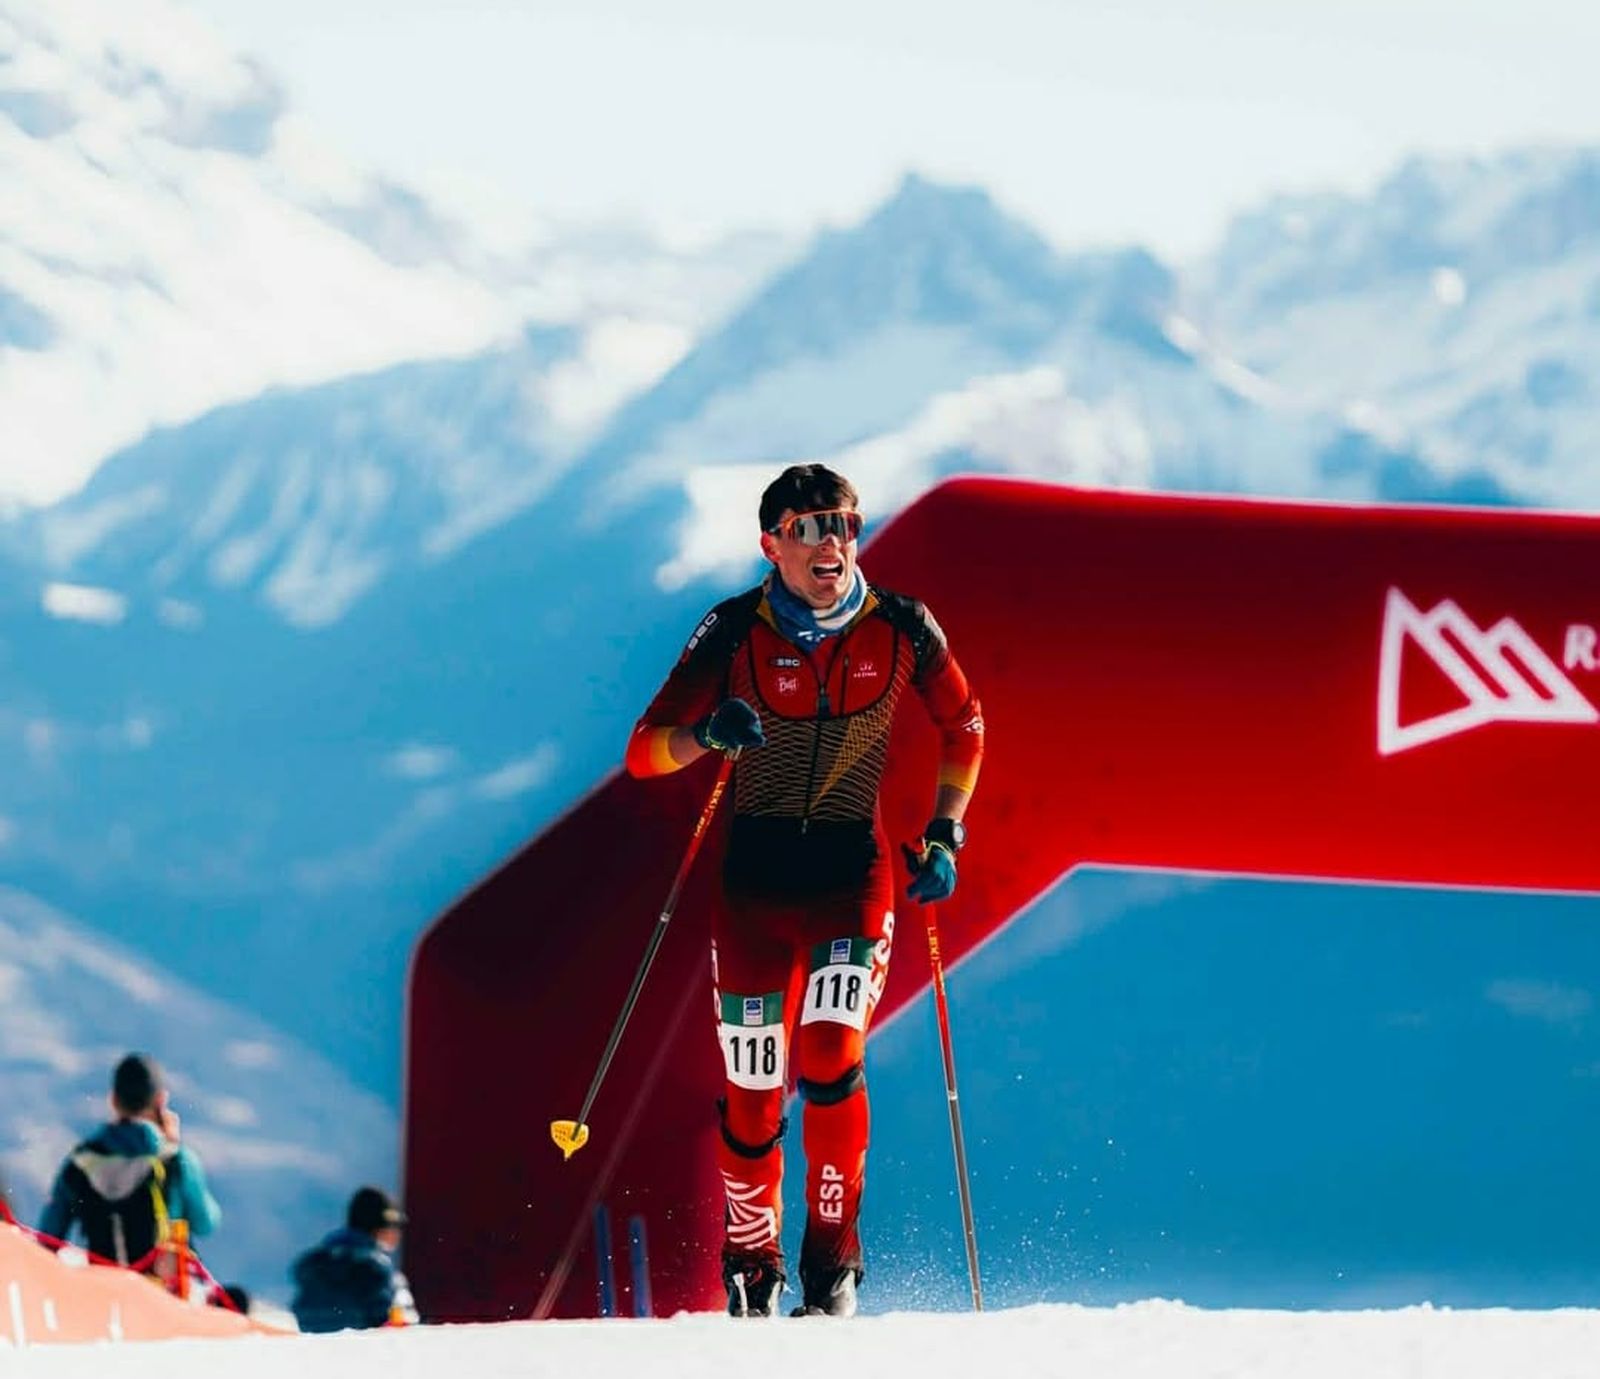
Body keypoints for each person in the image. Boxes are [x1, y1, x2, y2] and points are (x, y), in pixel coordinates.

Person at [625, 464, 984, 1317]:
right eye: (813, 525)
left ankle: (832, 1262)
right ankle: (753, 1259)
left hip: (849, 876)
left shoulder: (901, 626)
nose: (834, 542)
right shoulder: (732, 629)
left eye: (847, 524)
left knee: (828, 1053)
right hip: (752, 883)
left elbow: (965, 725)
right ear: (771, 543)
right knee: (752, 1092)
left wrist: (947, 828)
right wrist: (706, 734)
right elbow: (644, 751)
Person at [37, 1052, 221, 1272]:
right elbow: (206, 1224)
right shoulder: (176, 1161)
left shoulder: (79, 1163)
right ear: (160, 1100)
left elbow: (48, 1238)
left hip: (104, 1291)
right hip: (160, 1293)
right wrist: (173, 1144)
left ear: (113, 1099)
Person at [289, 1186, 419, 1332]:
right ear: (380, 1227)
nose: (398, 1234)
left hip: (312, 1349)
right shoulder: (378, 1269)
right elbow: (399, 1326)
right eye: (395, 1226)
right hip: (367, 1351)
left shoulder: (313, 1262)